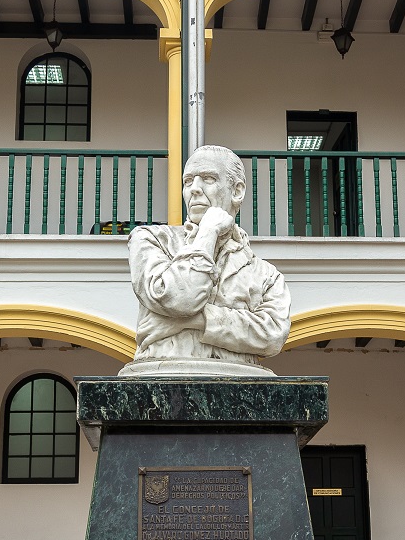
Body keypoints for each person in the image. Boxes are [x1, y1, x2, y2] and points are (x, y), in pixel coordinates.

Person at [124, 144, 290, 374]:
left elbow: (272, 335)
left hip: (242, 388)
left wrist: (194, 320)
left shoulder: (267, 275)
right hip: (162, 380)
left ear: (237, 191)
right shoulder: (151, 240)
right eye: (188, 181)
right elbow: (180, 299)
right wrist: (208, 233)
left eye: (208, 179)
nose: (194, 189)